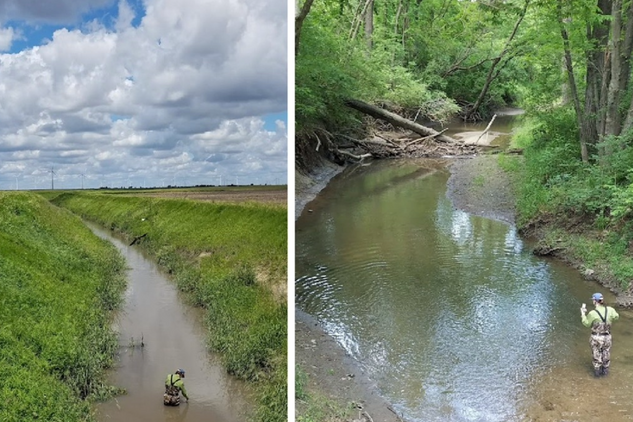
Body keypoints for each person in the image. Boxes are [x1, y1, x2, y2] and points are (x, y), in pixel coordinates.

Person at [580, 293, 619, 377]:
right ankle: (605, 373)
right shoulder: (610, 310)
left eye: (593, 300)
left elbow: (586, 323)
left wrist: (583, 314)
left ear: (594, 301)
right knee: (606, 353)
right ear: (602, 301)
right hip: (607, 337)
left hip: (596, 337)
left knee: (596, 355)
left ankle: (597, 375)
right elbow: (616, 317)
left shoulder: (592, 313)